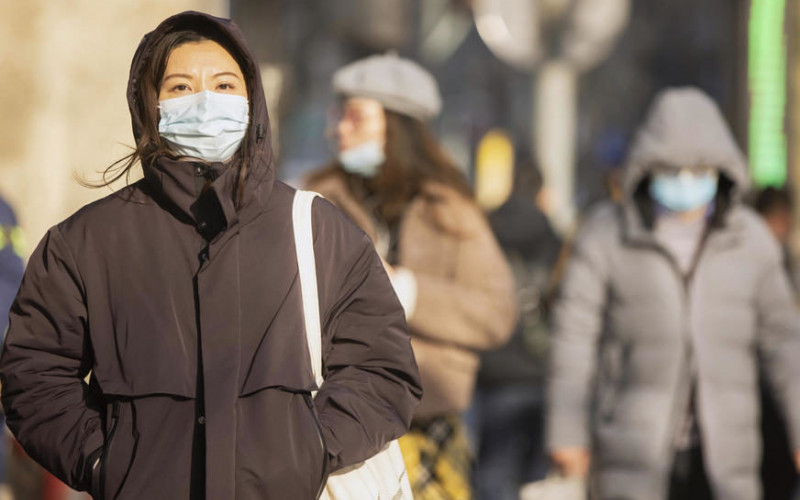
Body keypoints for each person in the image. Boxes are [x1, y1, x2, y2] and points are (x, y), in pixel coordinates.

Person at [0, 12, 422, 500]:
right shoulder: (85, 242)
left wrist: (313, 447)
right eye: (181, 87)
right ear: (150, 105)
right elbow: (34, 375)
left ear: (252, 102)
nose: (204, 102)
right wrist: (103, 460)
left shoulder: (320, 230)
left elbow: (382, 368)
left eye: (224, 84)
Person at [547, 87, 800, 500]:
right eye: (671, 169)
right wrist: (566, 432)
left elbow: (785, 341)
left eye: (698, 169)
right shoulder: (607, 234)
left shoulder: (751, 240)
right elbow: (574, 338)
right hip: (631, 454)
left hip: (727, 458)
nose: (685, 181)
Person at [306, 53, 516, 499]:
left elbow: (497, 312)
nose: (339, 127)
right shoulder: (317, 199)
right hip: (338, 422)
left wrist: (410, 293)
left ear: (396, 125)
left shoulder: (450, 208)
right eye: (338, 113)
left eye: (356, 115)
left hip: (429, 425)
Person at [470, 156, 561, 499]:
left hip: (493, 372)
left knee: (493, 476)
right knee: (536, 480)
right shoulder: (553, 237)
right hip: (541, 370)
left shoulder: (486, 231)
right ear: (541, 192)